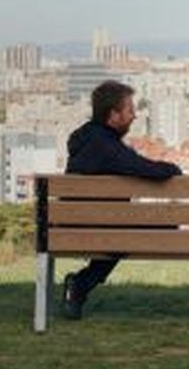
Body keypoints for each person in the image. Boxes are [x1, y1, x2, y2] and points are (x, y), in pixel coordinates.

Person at [61, 80, 182, 319]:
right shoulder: (106, 146)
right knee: (164, 225)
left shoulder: (86, 139)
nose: (134, 116)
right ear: (113, 115)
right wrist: (173, 168)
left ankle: (80, 285)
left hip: (72, 225)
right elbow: (146, 169)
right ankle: (81, 284)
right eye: (129, 110)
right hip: (98, 227)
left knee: (129, 231)